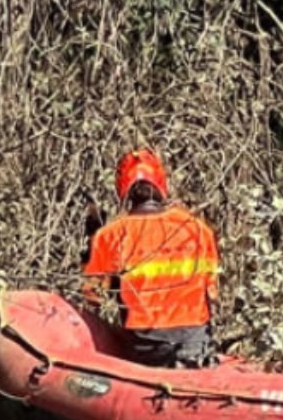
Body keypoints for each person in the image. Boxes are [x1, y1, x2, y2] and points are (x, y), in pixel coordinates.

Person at [82, 148, 221, 368]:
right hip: (195, 345)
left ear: (123, 189)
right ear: (161, 185)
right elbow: (212, 292)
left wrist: (90, 246)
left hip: (146, 347)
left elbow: (93, 298)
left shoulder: (110, 236)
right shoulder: (196, 229)